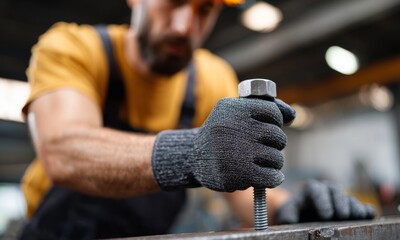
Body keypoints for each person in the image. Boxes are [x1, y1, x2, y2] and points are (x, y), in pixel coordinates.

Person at [19, 0, 375, 239]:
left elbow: (243, 190)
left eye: (205, 8)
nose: (184, 26)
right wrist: (189, 154)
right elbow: (64, 151)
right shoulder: (71, 48)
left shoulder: (211, 76)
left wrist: (291, 209)